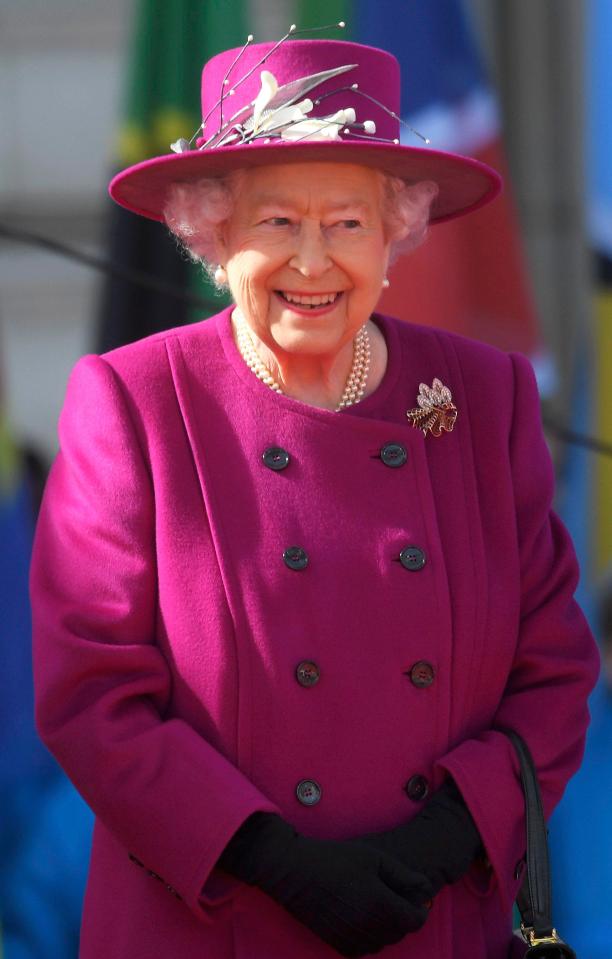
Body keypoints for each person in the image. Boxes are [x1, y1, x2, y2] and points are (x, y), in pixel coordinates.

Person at [30, 34, 599, 959]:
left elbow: (555, 671)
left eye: (346, 222)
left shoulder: (484, 397)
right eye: (276, 223)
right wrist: (272, 857)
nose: (314, 260)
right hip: (210, 922)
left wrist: (449, 832)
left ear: (395, 232)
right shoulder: (135, 401)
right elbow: (91, 697)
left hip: (431, 920)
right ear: (213, 235)